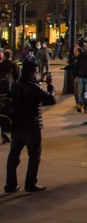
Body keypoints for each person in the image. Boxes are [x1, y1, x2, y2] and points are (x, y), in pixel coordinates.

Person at [4, 59, 55, 194]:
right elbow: (51, 99)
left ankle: (10, 185)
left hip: (16, 126)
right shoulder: (33, 88)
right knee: (34, 155)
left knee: (13, 155)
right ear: (33, 73)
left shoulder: (14, 85)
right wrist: (50, 86)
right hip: (31, 126)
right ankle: (30, 184)